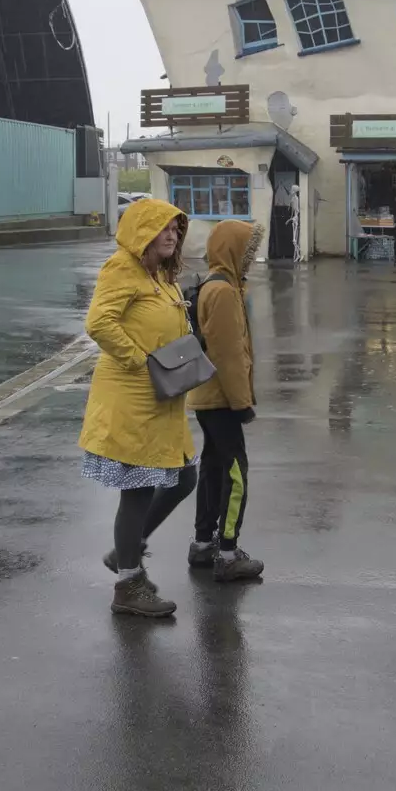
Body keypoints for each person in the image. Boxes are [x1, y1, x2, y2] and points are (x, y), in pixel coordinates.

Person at [81, 198, 199, 618]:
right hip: (133, 399)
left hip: (162, 399)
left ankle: (126, 554)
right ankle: (128, 584)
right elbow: (99, 322)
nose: (171, 235)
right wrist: (140, 360)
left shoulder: (159, 275)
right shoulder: (122, 268)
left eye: (175, 229)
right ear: (141, 233)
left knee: (185, 477)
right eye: (163, 229)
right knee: (138, 492)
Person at [188, 220, 266, 582]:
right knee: (236, 473)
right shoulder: (221, 292)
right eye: (248, 251)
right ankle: (228, 552)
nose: (251, 258)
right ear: (233, 252)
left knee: (214, 467)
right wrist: (242, 402)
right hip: (222, 399)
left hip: (211, 397)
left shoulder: (220, 284)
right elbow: (228, 354)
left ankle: (204, 543)